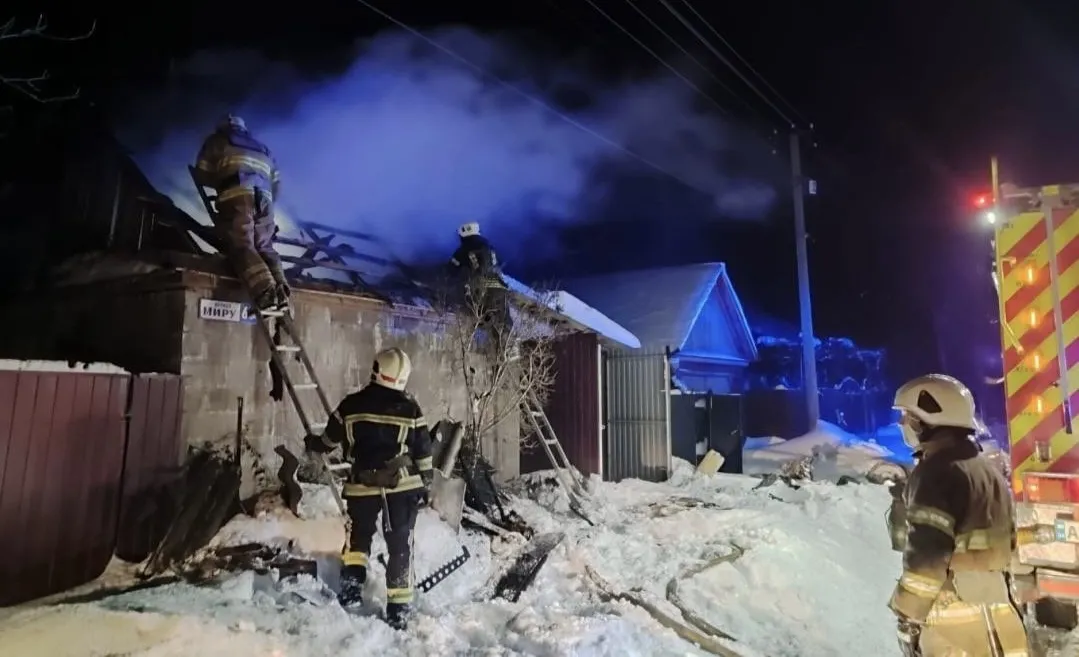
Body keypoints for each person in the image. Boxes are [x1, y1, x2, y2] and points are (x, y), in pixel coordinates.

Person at [888, 374, 1029, 657]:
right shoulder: (984, 470)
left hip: (954, 621)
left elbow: (926, 556)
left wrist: (909, 616)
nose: (903, 424)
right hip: (1000, 611)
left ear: (928, 419)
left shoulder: (935, 473)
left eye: (908, 416)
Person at [304, 347, 434, 630]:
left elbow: (328, 440)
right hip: (401, 487)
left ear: (377, 369)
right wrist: (427, 482)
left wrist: (313, 444)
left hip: (362, 485)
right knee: (400, 544)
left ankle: (351, 590)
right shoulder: (411, 409)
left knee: (358, 541)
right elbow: (423, 450)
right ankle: (399, 610)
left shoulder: (351, 405)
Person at [193, 114, 290, 312]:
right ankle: (282, 292)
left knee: (242, 243)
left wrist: (222, 180)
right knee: (264, 246)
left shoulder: (216, 141)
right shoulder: (263, 148)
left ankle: (265, 293)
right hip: (265, 199)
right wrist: (265, 204)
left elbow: (202, 174)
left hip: (236, 194)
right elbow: (277, 186)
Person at [448, 222, 513, 354]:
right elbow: (499, 264)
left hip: (480, 289)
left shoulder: (463, 250)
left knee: (479, 320)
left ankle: (480, 352)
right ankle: (507, 350)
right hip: (499, 288)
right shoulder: (490, 247)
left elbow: (450, 270)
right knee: (503, 321)